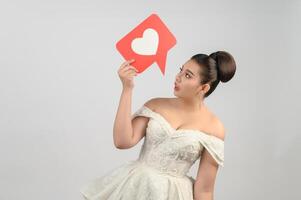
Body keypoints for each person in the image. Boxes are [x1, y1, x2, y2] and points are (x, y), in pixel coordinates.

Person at [80, 51, 236, 200]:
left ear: (204, 88)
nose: (178, 77)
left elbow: (204, 190)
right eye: (181, 70)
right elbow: (122, 141)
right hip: (137, 187)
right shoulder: (156, 104)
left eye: (188, 75)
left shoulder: (215, 127)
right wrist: (127, 88)